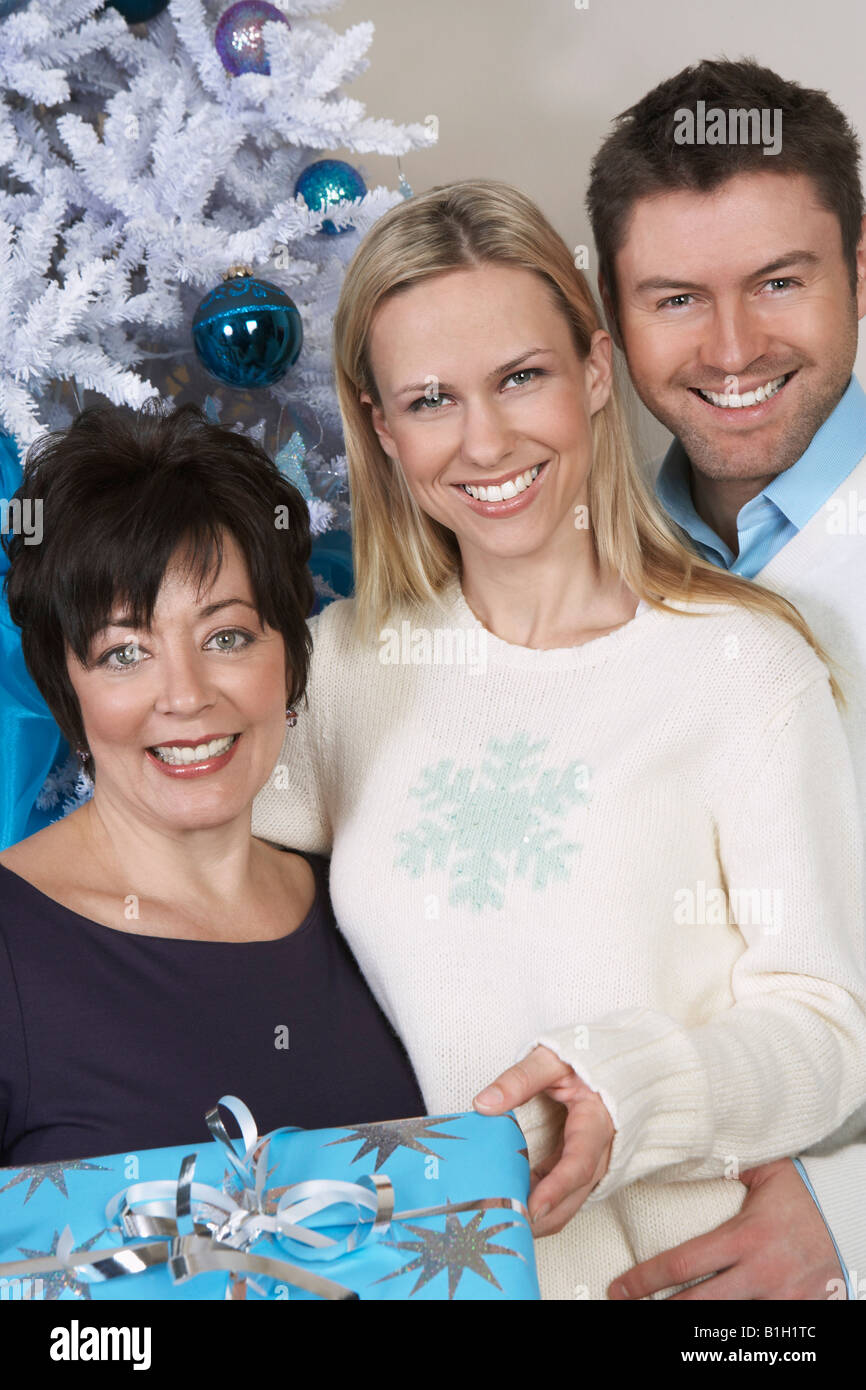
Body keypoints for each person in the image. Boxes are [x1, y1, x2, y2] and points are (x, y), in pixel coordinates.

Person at [251, 177, 866, 1300]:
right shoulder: (337, 670)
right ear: (380, 427)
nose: (484, 441)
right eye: (431, 400)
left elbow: (827, 1029)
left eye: (519, 377)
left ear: (590, 372)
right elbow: (180, 891)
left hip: (693, 1286)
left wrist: (630, 1088)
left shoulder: (741, 666)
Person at [586, 56, 866, 1301]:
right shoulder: (563, 570)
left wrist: (851, 1216)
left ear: (861, 272)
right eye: (675, 299)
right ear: (608, 319)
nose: (733, 347)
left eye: (778, 283)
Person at [0, 402, 424, 1166]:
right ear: (68, 690)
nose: (187, 695)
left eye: (227, 637)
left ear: (289, 660)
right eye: (125, 653)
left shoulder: (372, 905)